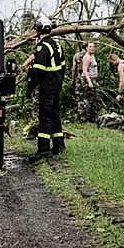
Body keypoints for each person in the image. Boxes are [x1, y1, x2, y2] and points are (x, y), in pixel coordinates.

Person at [26, 15, 66, 160]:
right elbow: (63, 67)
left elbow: (37, 71)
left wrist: (30, 88)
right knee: (54, 115)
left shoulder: (42, 47)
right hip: (57, 85)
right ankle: (59, 145)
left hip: (47, 86)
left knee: (45, 117)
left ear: (38, 30)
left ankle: (43, 150)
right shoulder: (57, 45)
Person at [80, 42, 99, 123]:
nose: (92, 48)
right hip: (88, 79)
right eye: (90, 46)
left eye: (93, 46)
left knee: (93, 99)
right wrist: (89, 82)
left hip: (93, 78)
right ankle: (86, 119)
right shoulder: (87, 57)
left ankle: (92, 118)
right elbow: (84, 70)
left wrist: (95, 81)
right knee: (87, 99)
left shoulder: (92, 56)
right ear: (87, 48)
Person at [71, 46, 86, 122]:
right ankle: (88, 116)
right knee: (87, 96)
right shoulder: (89, 55)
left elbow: (74, 68)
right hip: (88, 76)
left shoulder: (76, 55)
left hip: (79, 77)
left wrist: (73, 79)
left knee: (79, 96)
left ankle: (81, 115)